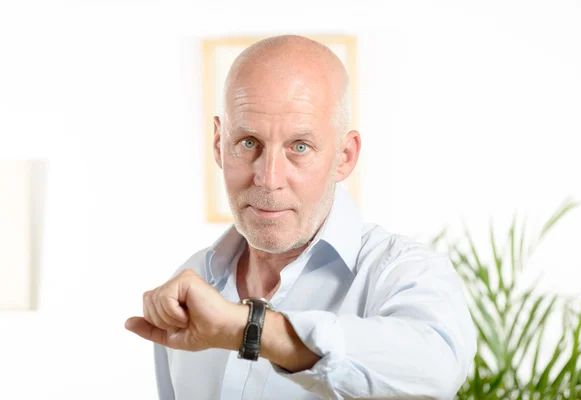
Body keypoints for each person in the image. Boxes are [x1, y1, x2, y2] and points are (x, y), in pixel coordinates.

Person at [125, 34, 476, 400]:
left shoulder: (401, 271)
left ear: (344, 156)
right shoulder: (193, 281)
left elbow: (438, 366)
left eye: (300, 147)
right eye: (248, 142)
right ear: (218, 144)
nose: (269, 179)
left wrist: (251, 330)